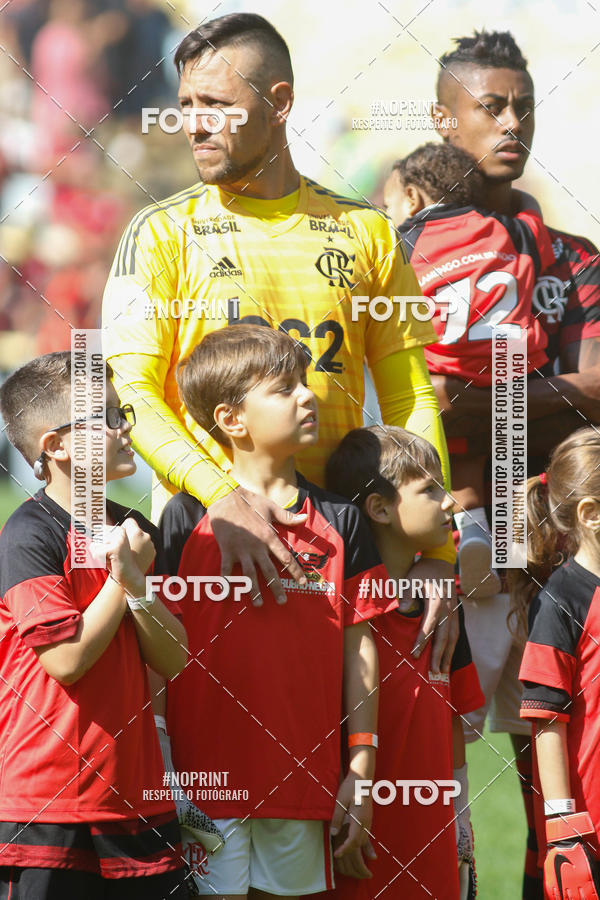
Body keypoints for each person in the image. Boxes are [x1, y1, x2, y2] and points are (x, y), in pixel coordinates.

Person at [102, 11, 456, 671]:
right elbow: (133, 395)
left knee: (351, 764)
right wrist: (222, 494)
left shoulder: (367, 234)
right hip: (213, 549)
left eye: (216, 105)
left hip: (349, 551)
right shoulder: (159, 234)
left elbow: (411, 391)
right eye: (184, 106)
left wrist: (434, 554)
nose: (195, 124)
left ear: (279, 102)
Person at [420, 30, 600, 896]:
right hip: (431, 537)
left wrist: (483, 392)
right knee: (425, 766)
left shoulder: (575, 258)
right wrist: (541, 385)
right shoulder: (401, 248)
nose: (512, 121)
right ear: (443, 119)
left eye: (522, 104)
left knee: (553, 756)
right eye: (491, 106)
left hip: (547, 538)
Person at [151, 324, 395, 898]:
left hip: (305, 782)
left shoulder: (343, 520)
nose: (308, 396)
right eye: (284, 388)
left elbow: (360, 649)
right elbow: (155, 653)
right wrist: (162, 769)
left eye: (305, 383)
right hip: (201, 785)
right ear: (231, 419)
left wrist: (360, 769)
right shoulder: (184, 519)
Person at [0, 351, 189, 899]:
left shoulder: (136, 528)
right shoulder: (28, 534)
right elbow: (66, 659)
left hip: (138, 799)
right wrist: (122, 581)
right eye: (105, 417)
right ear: (55, 446)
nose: (124, 426)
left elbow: (174, 657)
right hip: (50, 803)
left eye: (121, 410)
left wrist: (135, 579)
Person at [386, 140, 555, 599]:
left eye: (390, 203)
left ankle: (473, 539)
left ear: (414, 198)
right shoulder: (512, 230)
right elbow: (532, 213)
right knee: (511, 470)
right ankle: (515, 560)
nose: (389, 214)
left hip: (448, 379)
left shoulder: (405, 241)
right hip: (511, 373)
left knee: (461, 469)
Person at [324, 426, 485, 900]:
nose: (450, 503)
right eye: (430, 490)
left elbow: (456, 719)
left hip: (432, 843)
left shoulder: (443, 609)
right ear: (378, 508)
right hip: (356, 838)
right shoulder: (337, 617)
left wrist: (459, 816)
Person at [518, 428, 600, 898]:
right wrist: (563, 825)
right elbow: (547, 720)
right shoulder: (560, 601)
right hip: (589, 829)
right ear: (591, 515)